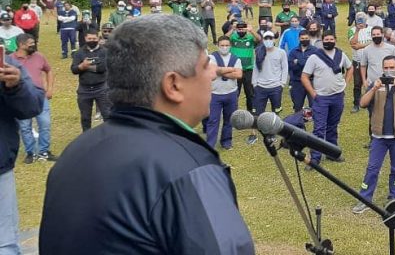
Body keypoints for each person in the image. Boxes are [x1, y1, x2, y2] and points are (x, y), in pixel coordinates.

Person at [40, 14, 254, 254]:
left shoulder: (77, 151)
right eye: (205, 66)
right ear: (173, 85)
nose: (213, 74)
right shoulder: (190, 168)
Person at [351, 56, 395, 214]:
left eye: (392, 67)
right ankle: (364, 199)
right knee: (372, 168)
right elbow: (362, 103)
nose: (388, 70)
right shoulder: (376, 83)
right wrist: (374, 88)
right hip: (379, 136)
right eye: (386, 67)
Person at [0, 42, 43, 253]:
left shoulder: (7, 66)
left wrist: (15, 86)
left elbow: (33, 106)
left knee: (4, 244)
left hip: (0, 170)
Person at [301, 32, 353, 167]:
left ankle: (332, 153)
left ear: (335, 40)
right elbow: (304, 76)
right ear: (322, 41)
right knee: (319, 128)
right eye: (326, 39)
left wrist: (345, 84)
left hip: (337, 96)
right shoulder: (314, 57)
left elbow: (350, 67)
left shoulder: (341, 54)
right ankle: (315, 158)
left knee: (332, 126)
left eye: (331, 39)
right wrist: (313, 94)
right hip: (321, 98)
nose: (328, 41)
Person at [14, 33, 56, 163]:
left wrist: (49, 89)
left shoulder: (39, 56)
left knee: (45, 124)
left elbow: (49, 71)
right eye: (30, 43)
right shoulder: (10, 60)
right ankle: (30, 152)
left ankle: (44, 151)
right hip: (21, 98)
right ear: (21, 45)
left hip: (39, 97)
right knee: (25, 126)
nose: (33, 45)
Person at [248, 31, 288, 144]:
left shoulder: (281, 53)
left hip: (275, 87)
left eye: (270, 38)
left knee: (276, 111)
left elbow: (285, 68)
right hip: (260, 87)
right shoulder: (259, 52)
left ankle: (272, 132)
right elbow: (255, 68)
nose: (268, 40)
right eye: (266, 38)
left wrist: (282, 83)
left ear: (274, 39)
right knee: (257, 112)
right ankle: (254, 134)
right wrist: (254, 83)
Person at [71, 29, 112, 131]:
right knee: (85, 118)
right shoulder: (79, 53)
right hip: (84, 90)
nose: (92, 40)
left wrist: (84, 66)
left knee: (107, 115)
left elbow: (103, 68)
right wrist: (81, 67)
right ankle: (86, 139)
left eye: (94, 38)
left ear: (98, 38)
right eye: (89, 38)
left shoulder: (105, 52)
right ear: (85, 38)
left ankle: (110, 138)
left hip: (102, 88)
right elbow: (74, 69)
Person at [206, 36, 242, 150]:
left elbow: (239, 75)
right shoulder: (211, 57)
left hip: (231, 94)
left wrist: (220, 71)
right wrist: (231, 69)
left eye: (227, 45)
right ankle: (210, 144)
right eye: (222, 45)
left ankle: (226, 142)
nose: (224, 47)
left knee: (229, 119)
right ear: (218, 45)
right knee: (213, 120)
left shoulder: (236, 58)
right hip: (215, 94)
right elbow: (212, 71)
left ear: (230, 46)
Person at [228, 22, 261, 115]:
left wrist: (251, 31)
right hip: (235, 70)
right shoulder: (233, 37)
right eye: (239, 29)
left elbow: (259, 39)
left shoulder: (250, 38)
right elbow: (224, 39)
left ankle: (250, 113)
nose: (241, 30)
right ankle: (233, 113)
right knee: (235, 93)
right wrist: (232, 29)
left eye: (243, 29)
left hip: (248, 70)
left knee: (250, 93)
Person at [289, 31, 317, 112]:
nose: (304, 40)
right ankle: (298, 124)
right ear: (299, 39)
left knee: (314, 105)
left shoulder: (315, 51)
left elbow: (316, 66)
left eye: (306, 38)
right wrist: (307, 62)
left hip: (312, 81)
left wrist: (298, 61)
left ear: (309, 38)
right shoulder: (293, 51)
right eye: (302, 38)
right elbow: (291, 66)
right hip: (297, 82)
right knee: (297, 106)